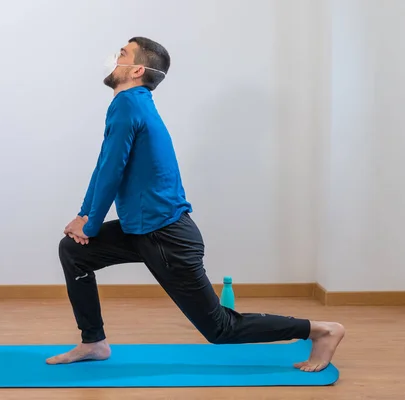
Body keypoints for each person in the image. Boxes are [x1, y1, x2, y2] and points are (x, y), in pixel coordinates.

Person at [46, 36, 345, 372]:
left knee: (220, 328)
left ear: (137, 69)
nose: (115, 60)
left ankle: (320, 330)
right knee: (74, 252)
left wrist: (89, 223)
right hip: (143, 229)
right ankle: (94, 342)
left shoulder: (129, 104)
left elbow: (112, 171)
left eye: (122, 55)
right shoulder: (132, 104)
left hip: (166, 238)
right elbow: (106, 164)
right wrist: (86, 215)